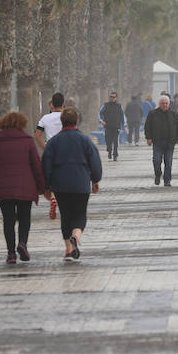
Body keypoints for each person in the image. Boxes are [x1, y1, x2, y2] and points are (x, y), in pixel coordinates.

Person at [0, 111, 45, 264]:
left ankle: (11, 254)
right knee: (25, 217)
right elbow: (36, 165)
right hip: (25, 185)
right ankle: (22, 243)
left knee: (8, 219)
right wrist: (42, 186)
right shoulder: (27, 141)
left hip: (3, 187)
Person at [42, 108, 102, 262]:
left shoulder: (53, 142)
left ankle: (69, 250)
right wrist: (95, 179)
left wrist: (46, 186)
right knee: (80, 214)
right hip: (80, 184)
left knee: (66, 216)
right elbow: (94, 161)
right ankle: (76, 234)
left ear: (62, 121)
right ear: (76, 121)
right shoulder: (85, 140)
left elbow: (46, 164)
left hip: (60, 185)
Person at [144, 95, 178, 186]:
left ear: (169, 104)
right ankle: (158, 175)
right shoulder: (153, 114)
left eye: (166, 103)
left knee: (168, 162)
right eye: (163, 103)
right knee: (156, 160)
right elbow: (147, 127)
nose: (165, 105)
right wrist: (148, 138)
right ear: (159, 104)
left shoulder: (174, 114)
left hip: (170, 143)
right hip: (157, 142)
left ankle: (167, 180)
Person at [99, 91, 126, 161]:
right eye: (110, 97)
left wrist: (124, 125)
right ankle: (109, 150)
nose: (111, 98)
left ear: (116, 98)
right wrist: (101, 121)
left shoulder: (119, 106)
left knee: (115, 141)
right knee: (108, 140)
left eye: (113, 97)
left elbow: (123, 116)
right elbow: (99, 113)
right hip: (107, 126)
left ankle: (115, 154)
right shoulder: (105, 105)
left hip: (116, 126)